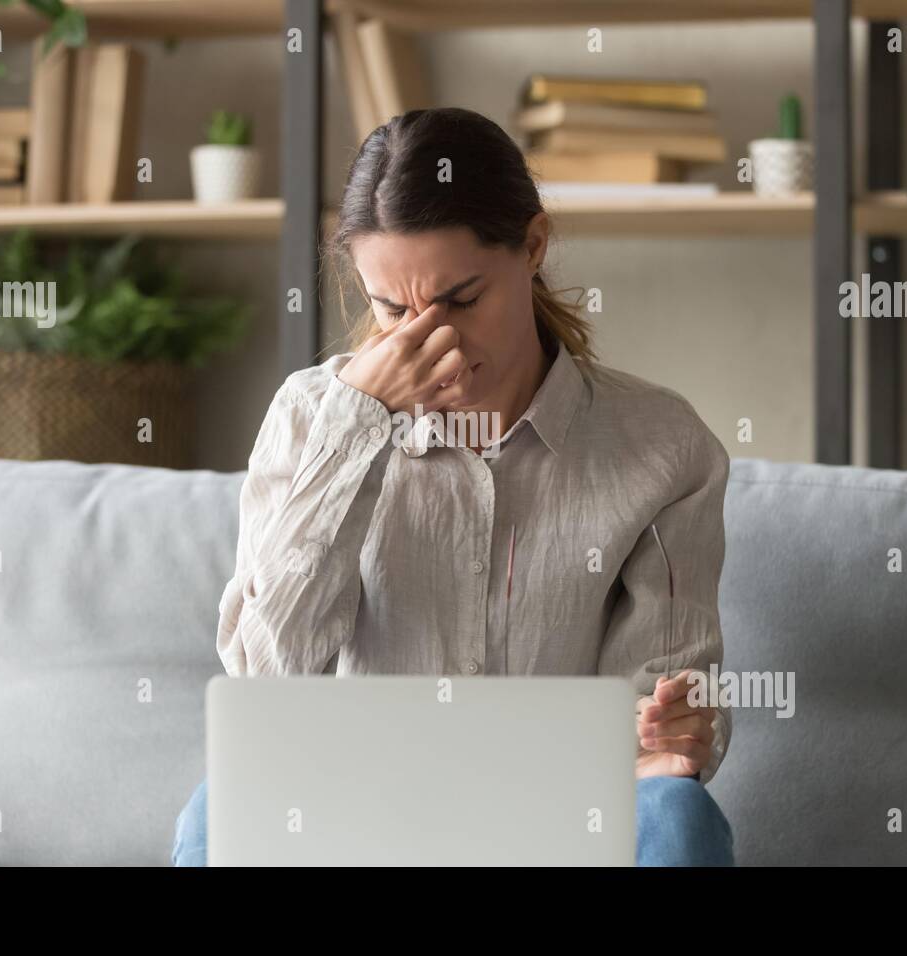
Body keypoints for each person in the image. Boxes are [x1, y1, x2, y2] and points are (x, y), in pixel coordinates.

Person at [173, 107, 734, 866]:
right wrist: (356, 429)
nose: (430, 341)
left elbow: (660, 716)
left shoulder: (663, 446)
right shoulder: (309, 419)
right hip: (353, 825)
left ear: (533, 247)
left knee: (676, 813)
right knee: (226, 797)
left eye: (462, 301)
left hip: (555, 826)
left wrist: (679, 727)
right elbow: (267, 689)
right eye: (392, 309)